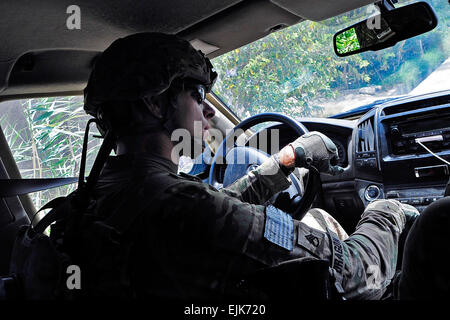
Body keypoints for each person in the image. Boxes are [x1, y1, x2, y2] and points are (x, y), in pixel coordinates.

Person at [80, 32, 418, 300]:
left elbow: (218, 209)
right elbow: (358, 273)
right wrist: (386, 211)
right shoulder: (181, 208)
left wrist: (286, 160)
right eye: (198, 95)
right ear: (155, 102)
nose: (208, 111)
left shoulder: (98, 198)